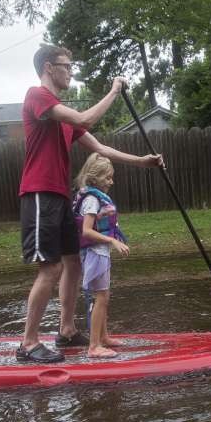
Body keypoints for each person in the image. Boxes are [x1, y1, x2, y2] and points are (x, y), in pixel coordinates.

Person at [17, 44, 163, 363]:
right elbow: (86, 115)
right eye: (66, 65)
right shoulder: (37, 96)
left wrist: (142, 161)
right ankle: (28, 344)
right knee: (51, 267)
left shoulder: (64, 119)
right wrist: (113, 91)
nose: (70, 71)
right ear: (47, 67)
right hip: (39, 194)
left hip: (59, 196)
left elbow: (101, 148)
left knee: (74, 262)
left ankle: (67, 331)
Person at [73, 153, 129, 358]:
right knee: (101, 297)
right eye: (108, 177)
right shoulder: (91, 200)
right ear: (95, 178)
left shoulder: (94, 197)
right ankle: (94, 345)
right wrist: (112, 241)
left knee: (103, 296)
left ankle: (103, 337)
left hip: (99, 252)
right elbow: (87, 231)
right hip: (95, 252)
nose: (111, 181)